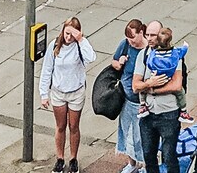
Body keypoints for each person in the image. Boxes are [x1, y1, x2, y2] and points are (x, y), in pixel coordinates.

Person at [39, 15, 97, 173]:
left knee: (74, 126)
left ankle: (73, 158)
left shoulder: (79, 46)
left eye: (72, 34)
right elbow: (46, 70)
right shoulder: (54, 46)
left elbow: (91, 57)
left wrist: (81, 40)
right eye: (67, 33)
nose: (68, 37)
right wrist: (44, 94)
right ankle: (59, 158)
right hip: (58, 92)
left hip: (76, 92)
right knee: (60, 126)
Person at [133, 25, 185, 173]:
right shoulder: (143, 55)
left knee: (169, 157)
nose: (149, 38)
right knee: (149, 155)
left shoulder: (173, 55)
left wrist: (152, 89)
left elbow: (176, 85)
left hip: (169, 113)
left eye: (153, 35)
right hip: (148, 114)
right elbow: (135, 86)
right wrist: (149, 83)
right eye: (147, 35)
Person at [108, 19, 148, 173]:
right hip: (126, 98)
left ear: (141, 33)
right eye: (128, 38)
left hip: (142, 102)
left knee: (141, 136)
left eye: (133, 37)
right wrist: (120, 62)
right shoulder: (125, 45)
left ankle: (144, 164)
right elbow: (114, 62)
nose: (130, 41)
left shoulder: (148, 50)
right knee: (126, 132)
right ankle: (132, 163)